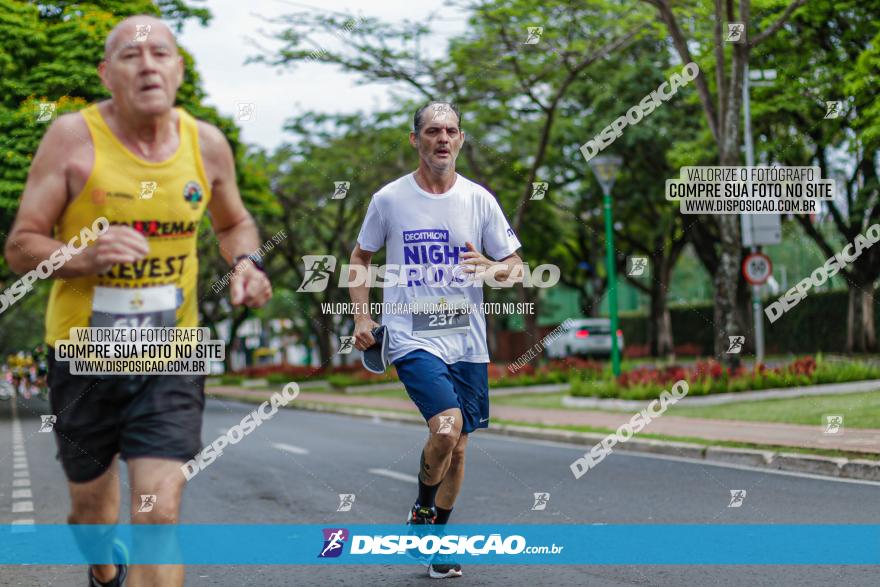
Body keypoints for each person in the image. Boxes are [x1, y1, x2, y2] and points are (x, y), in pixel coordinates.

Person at [3, 15, 272, 587]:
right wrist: (82, 254)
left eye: (161, 54)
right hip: (84, 354)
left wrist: (247, 263)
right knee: (90, 514)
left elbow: (236, 223)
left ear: (178, 70)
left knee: (159, 508)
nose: (148, 64)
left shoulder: (207, 145)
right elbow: (22, 246)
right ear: (107, 74)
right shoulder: (72, 140)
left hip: (168, 353)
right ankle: (104, 570)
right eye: (130, 55)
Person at [350, 101, 524, 579]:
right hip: (411, 334)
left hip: (466, 340)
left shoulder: (479, 199)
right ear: (416, 140)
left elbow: (516, 266)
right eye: (432, 131)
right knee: (445, 427)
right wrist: (362, 315)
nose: (442, 138)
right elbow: (360, 258)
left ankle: (434, 539)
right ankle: (422, 513)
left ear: (461, 139)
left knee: (460, 445)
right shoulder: (389, 200)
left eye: (451, 130)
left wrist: (491, 268)